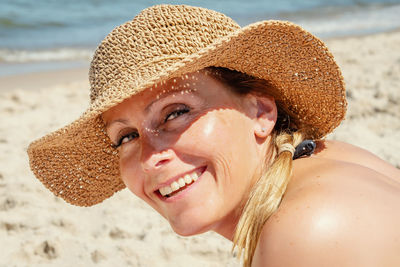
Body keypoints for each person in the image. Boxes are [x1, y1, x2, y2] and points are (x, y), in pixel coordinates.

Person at [27, 4, 400, 267]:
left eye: (175, 112)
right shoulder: (323, 160)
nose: (149, 155)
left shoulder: (308, 229)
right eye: (125, 137)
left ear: (261, 111)